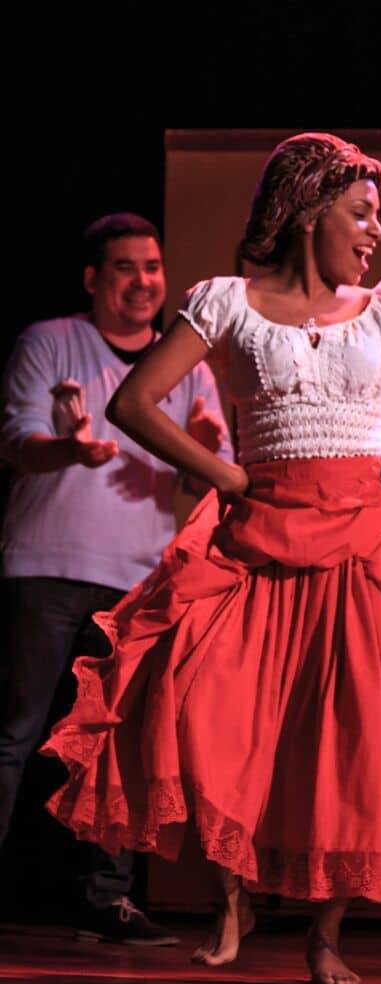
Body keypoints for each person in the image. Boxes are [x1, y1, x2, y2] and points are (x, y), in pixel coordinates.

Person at [41, 133, 381, 984]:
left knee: (353, 735)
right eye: (361, 213)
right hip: (257, 535)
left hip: (362, 543)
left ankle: (325, 934)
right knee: (222, 715)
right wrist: (225, 474)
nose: (376, 231)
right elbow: (134, 402)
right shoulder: (225, 302)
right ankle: (233, 898)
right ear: (309, 212)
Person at [0, 212, 233, 944]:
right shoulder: (50, 340)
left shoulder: (187, 363)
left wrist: (201, 452)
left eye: (153, 266)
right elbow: (17, 445)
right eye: (126, 267)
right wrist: (69, 450)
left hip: (140, 579)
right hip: (48, 566)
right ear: (93, 279)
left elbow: (213, 480)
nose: (143, 281)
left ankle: (108, 899)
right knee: (15, 734)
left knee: (116, 746)